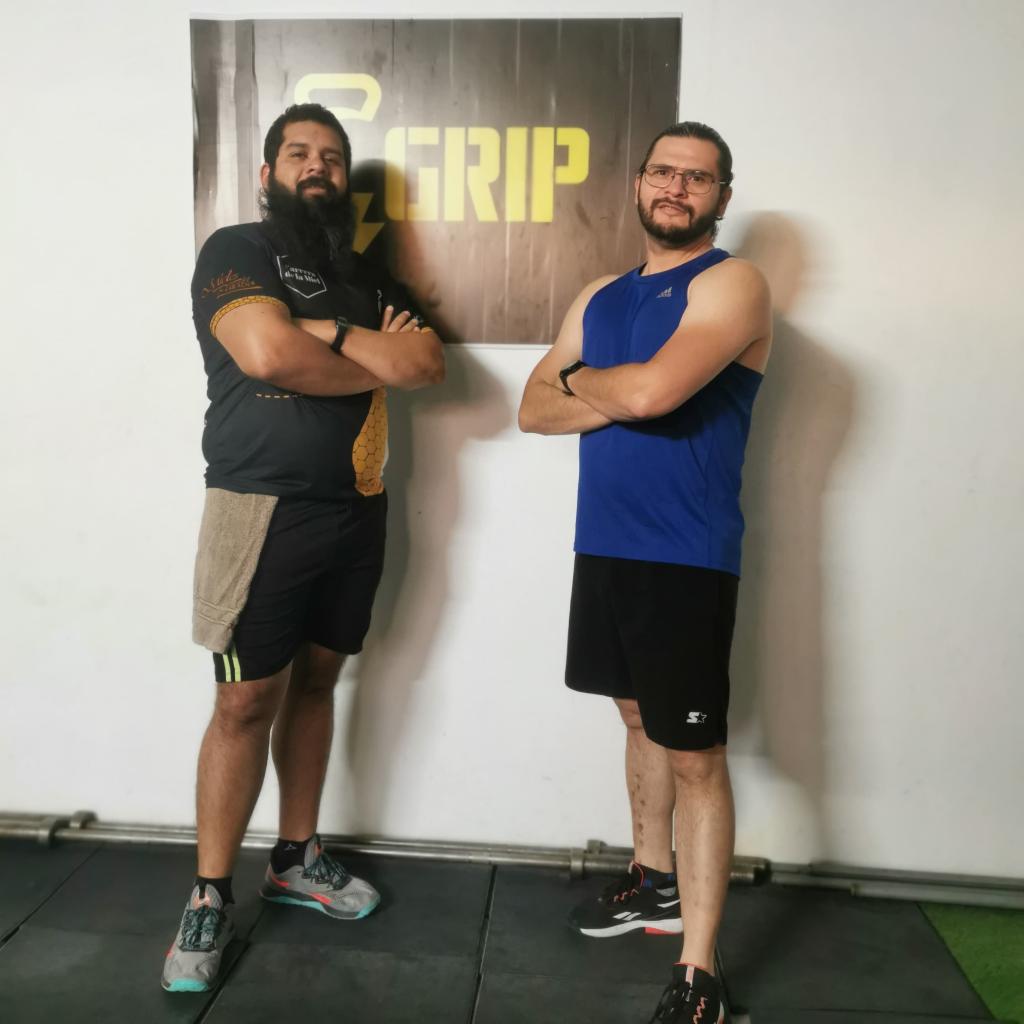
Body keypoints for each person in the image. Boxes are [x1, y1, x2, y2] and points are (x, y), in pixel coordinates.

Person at [162, 103, 444, 993]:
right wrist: (363, 357)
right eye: (298, 153)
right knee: (244, 701)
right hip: (260, 509)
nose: (316, 166)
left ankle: (294, 857)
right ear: (267, 173)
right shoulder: (237, 250)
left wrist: (321, 329)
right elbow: (265, 354)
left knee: (318, 682)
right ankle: (210, 894)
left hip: (357, 509)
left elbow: (426, 365)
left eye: (331, 156)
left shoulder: (362, 276)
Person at [518, 121, 771, 1023]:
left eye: (697, 177)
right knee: (634, 715)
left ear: (721, 196)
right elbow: (531, 408)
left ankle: (699, 971)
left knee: (695, 755)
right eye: (663, 171)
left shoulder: (733, 283)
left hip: (685, 553)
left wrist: (586, 379)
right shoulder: (600, 293)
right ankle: (652, 877)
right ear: (638, 183)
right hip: (606, 543)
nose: (676, 188)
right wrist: (612, 386)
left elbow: (655, 394)